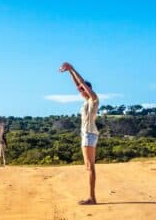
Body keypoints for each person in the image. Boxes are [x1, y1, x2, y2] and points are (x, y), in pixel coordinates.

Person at [59, 62, 99, 205]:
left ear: (87, 89)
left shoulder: (93, 99)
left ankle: (92, 198)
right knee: (89, 166)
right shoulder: (86, 101)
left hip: (89, 134)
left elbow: (81, 83)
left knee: (89, 166)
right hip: (88, 134)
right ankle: (92, 197)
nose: (79, 90)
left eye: (82, 89)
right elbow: (78, 83)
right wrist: (70, 72)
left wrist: (74, 69)